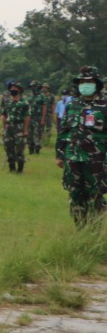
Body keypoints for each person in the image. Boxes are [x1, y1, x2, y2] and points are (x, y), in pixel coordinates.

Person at [56, 66, 107, 226]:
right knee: (75, 195)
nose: (85, 84)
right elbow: (64, 130)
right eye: (82, 82)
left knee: (95, 195)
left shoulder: (104, 106)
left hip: (96, 161)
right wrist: (59, 154)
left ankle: (95, 233)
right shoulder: (73, 105)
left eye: (89, 81)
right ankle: (81, 230)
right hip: (73, 158)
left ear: (97, 84)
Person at [0, 80, 30, 173]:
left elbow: (27, 117)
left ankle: (20, 169)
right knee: (8, 147)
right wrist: (3, 128)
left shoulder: (24, 102)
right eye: (11, 88)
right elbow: (3, 116)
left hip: (19, 126)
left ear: (20, 90)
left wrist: (25, 130)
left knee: (19, 148)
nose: (13, 90)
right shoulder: (7, 102)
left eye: (15, 89)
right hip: (9, 126)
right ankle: (11, 168)